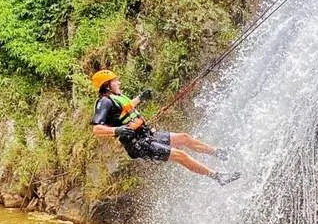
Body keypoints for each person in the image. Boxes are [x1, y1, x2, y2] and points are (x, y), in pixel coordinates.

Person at [89, 70, 241, 185]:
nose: (119, 83)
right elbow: (96, 129)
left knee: (184, 138)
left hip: (146, 135)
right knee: (180, 155)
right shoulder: (104, 102)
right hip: (138, 144)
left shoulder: (116, 99)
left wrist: (140, 98)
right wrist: (117, 130)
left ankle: (220, 153)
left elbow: (125, 110)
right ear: (107, 86)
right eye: (115, 81)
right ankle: (218, 177)